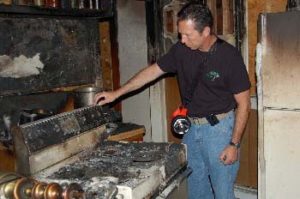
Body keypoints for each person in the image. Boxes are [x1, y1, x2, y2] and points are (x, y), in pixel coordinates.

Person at [94, 2, 250, 199]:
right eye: (180, 34)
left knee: (223, 193)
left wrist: (233, 144)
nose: (182, 40)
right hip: (192, 130)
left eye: (187, 35)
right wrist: (117, 93)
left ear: (205, 32)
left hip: (219, 131)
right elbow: (152, 71)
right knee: (195, 190)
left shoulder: (229, 56)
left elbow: (244, 104)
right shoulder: (181, 50)